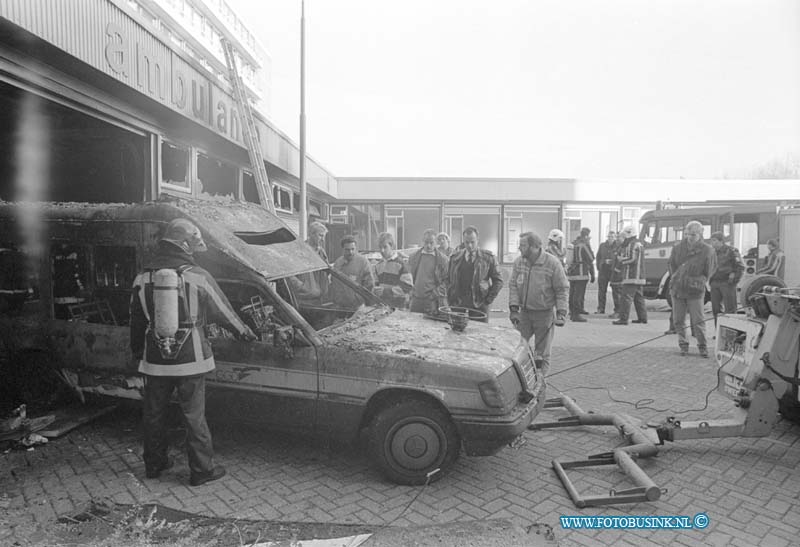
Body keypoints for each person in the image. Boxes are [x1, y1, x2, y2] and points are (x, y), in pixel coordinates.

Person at [130, 218, 256, 486]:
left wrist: (136, 353)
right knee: (194, 416)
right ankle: (201, 471)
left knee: (153, 414)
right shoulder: (198, 275)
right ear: (185, 244)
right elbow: (224, 313)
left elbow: (136, 321)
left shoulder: (142, 277)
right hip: (192, 359)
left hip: (154, 359)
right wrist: (244, 333)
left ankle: (154, 465)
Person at [508, 232, 569, 373]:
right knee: (515, 348)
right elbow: (513, 286)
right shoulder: (519, 262)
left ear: (534, 247)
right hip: (524, 315)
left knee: (541, 355)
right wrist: (514, 309)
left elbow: (562, 289)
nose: (519, 248)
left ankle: (540, 387)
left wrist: (561, 313)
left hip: (545, 315)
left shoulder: (552, 263)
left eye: (523, 245)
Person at [668, 220, 717, 357]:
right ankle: (683, 344)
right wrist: (677, 278)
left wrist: (699, 281)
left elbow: (710, 270)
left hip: (695, 290)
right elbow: (672, 265)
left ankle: (702, 346)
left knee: (698, 320)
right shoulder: (678, 248)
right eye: (687, 234)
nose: (690, 237)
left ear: (701, 234)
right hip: (678, 288)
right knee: (678, 319)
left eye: (693, 235)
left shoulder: (708, 250)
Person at [447, 226, 503, 322]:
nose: (469, 245)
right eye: (466, 242)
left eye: (472, 242)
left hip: (480, 303)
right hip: (458, 303)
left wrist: (488, 300)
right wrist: (450, 297)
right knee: (456, 331)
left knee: (479, 333)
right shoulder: (455, 258)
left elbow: (498, 281)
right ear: (463, 241)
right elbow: (448, 279)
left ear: (478, 240)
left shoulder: (488, 258)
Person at [407, 229, 449, 314]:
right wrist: (411, 292)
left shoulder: (443, 260)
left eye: (431, 243)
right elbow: (408, 277)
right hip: (415, 299)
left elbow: (446, 281)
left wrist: (435, 293)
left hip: (432, 301)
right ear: (422, 241)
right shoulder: (413, 257)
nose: (428, 245)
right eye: (426, 242)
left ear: (436, 242)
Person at [613, 225, 648, 325]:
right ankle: (642, 318)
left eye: (624, 236)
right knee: (638, 298)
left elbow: (632, 259)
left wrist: (621, 260)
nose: (623, 239)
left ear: (629, 234)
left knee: (626, 298)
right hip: (639, 276)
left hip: (631, 276)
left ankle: (623, 319)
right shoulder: (639, 244)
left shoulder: (632, 244)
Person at [330, 235, 375, 309]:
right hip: (340, 306)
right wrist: (336, 299)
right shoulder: (338, 263)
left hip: (357, 307)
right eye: (347, 250)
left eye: (353, 249)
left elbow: (369, 285)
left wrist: (359, 299)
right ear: (342, 249)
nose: (350, 252)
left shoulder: (363, 262)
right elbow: (333, 284)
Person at [291, 221, 330, 303]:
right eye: (320, 236)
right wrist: (303, 288)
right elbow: (289, 275)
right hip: (304, 300)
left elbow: (326, 274)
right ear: (311, 234)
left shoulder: (322, 253)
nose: (323, 240)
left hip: (319, 299)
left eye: (324, 237)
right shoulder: (299, 251)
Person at [708, 232, 744, 321]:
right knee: (716, 310)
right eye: (711, 241)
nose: (712, 243)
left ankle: (732, 333)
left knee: (730, 310)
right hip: (715, 283)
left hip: (727, 283)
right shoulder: (711, 253)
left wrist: (733, 281)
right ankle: (718, 333)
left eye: (714, 241)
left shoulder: (731, 251)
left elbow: (740, 267)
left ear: (721, 241)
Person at [373, 232, 412, 308]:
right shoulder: (378, 265)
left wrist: (385, 292)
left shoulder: (401, 264)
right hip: (382, 306)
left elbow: (407, 288)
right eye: (380, 247)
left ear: (392, 246)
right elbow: (376, 284)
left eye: (385, 247)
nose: (382, 250)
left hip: (398, 307)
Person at [566, 227, 595, 322]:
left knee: (572, 293)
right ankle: (576, 314)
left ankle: (572, 311)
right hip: (581, 272)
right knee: (578, 294)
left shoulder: (574, 243)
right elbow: (591, 257)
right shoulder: (583, 244)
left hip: (572, 272)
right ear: (586, 235)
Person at [595, 231, 618, 315]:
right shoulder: (602, 246)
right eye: (609, 236)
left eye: (612, 237)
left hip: (613, 271)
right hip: (603, 270)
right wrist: (600, 265)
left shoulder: (618, 246)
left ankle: (617, 309)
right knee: (601, 290)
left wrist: (612, 262)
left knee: (615, 290)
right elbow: (598, 257)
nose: (610, 238)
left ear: (615, 237)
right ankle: (600, 308)